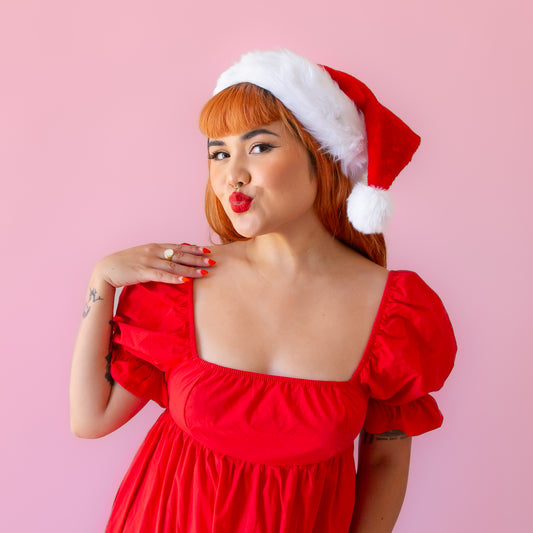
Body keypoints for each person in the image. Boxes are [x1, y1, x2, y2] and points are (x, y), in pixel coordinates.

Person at [70, 49, 456, 532]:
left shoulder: (395, 315)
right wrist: (100, 281)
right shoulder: (179, 285)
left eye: (259, 147)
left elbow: (386, 464)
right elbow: (92, 418)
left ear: (322, 155)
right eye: (218, 153)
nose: (232, 174)